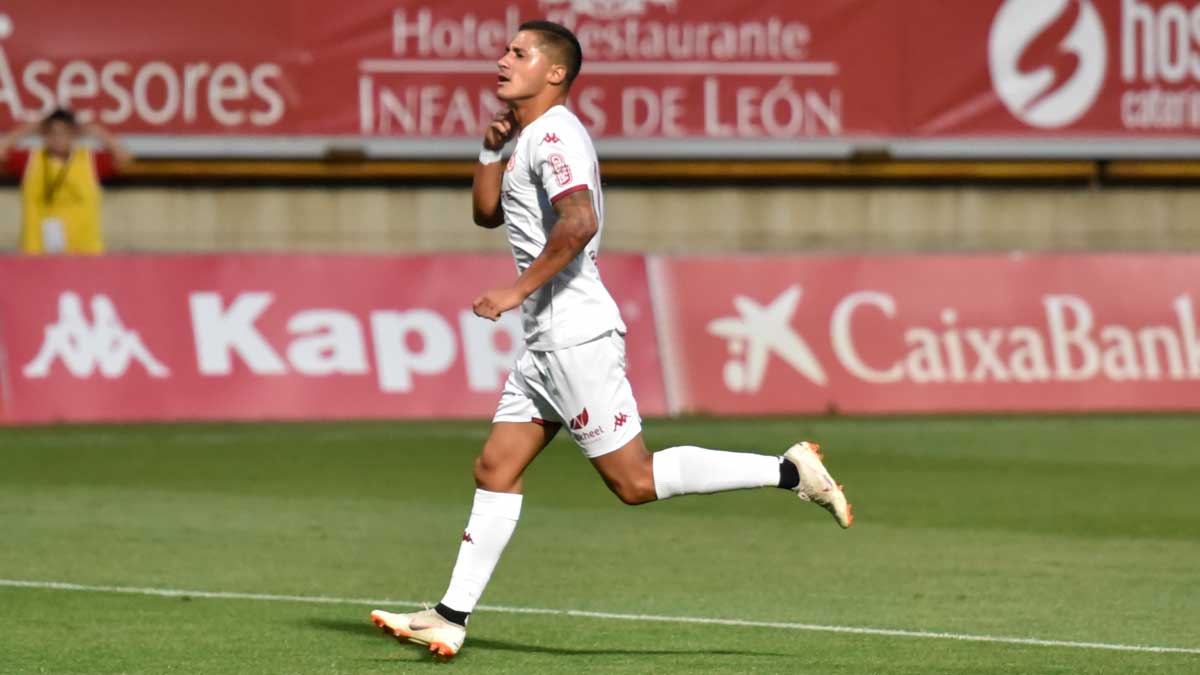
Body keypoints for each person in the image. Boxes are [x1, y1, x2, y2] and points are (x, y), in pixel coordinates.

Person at [370, 20, 853, 659]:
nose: (501, 59)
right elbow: (487, 213)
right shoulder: (529, 137)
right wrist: (491, 152)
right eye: (506, 49)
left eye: (519, 52)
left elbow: (579, 221)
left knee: (633, 481)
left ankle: (791, 471)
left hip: (574, 334)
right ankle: (450, 617)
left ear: (555, 73)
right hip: (546, 340)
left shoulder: (557, 135)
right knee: (496, 466)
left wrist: (515, 292)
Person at [0, 108, 131, 254]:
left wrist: (97, 132)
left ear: (74, 134)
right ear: (44, 135)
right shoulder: (30, 159)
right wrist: (26, 130)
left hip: (84, 253)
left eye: (64, 133)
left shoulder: (89, 159)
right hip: (38, 253)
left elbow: (123, 157)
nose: (58, 138)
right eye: (53, 133)